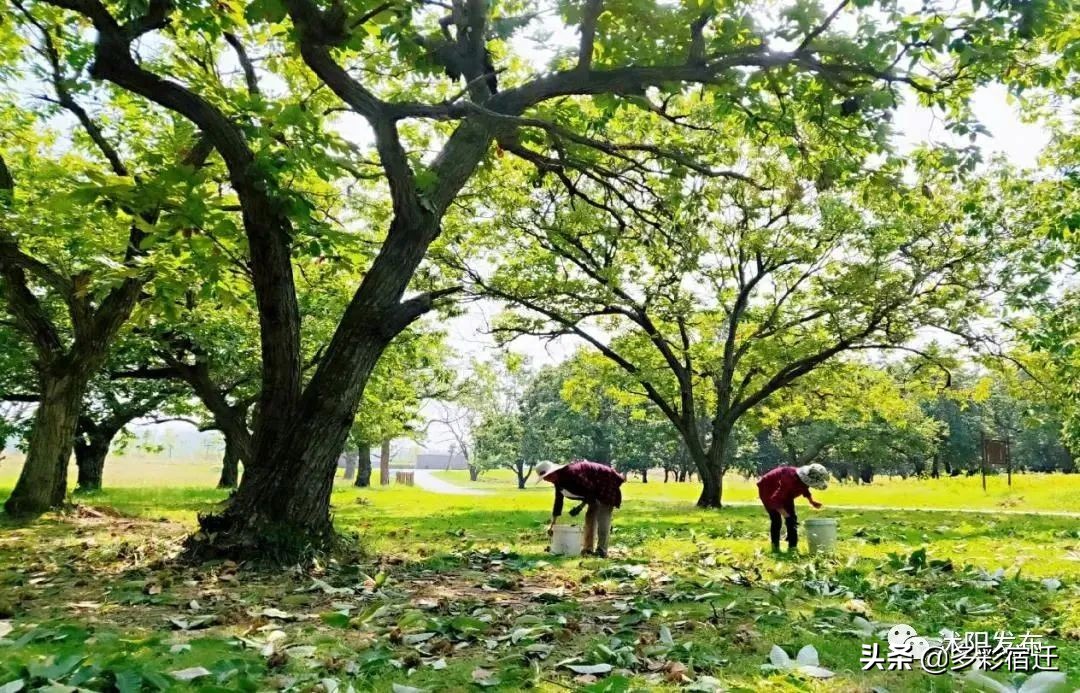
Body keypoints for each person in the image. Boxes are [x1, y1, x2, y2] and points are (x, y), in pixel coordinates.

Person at [535, 459, 624, 558]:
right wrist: (553, 523)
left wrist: (580, 507)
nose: (548, 479)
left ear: (554, 471)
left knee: (602, 517)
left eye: (549, 476)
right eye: (545, 478)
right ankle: (588, 549)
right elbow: (558, 501)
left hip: (606, 483)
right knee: (590, 516)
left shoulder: (572, 473)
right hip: (593, 490)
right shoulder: (558, 480)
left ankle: (602, 551)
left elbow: (591, 490)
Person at [757, 463, 829, 554]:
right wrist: (786, 516)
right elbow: (775, 501)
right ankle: (775, 548)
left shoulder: (803, 479)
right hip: (767, 488)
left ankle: (792, 548)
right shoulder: (789, 480)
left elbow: (804, 488)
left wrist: (811, 501)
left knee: (793, 519)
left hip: (785, 492)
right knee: (776, 519)